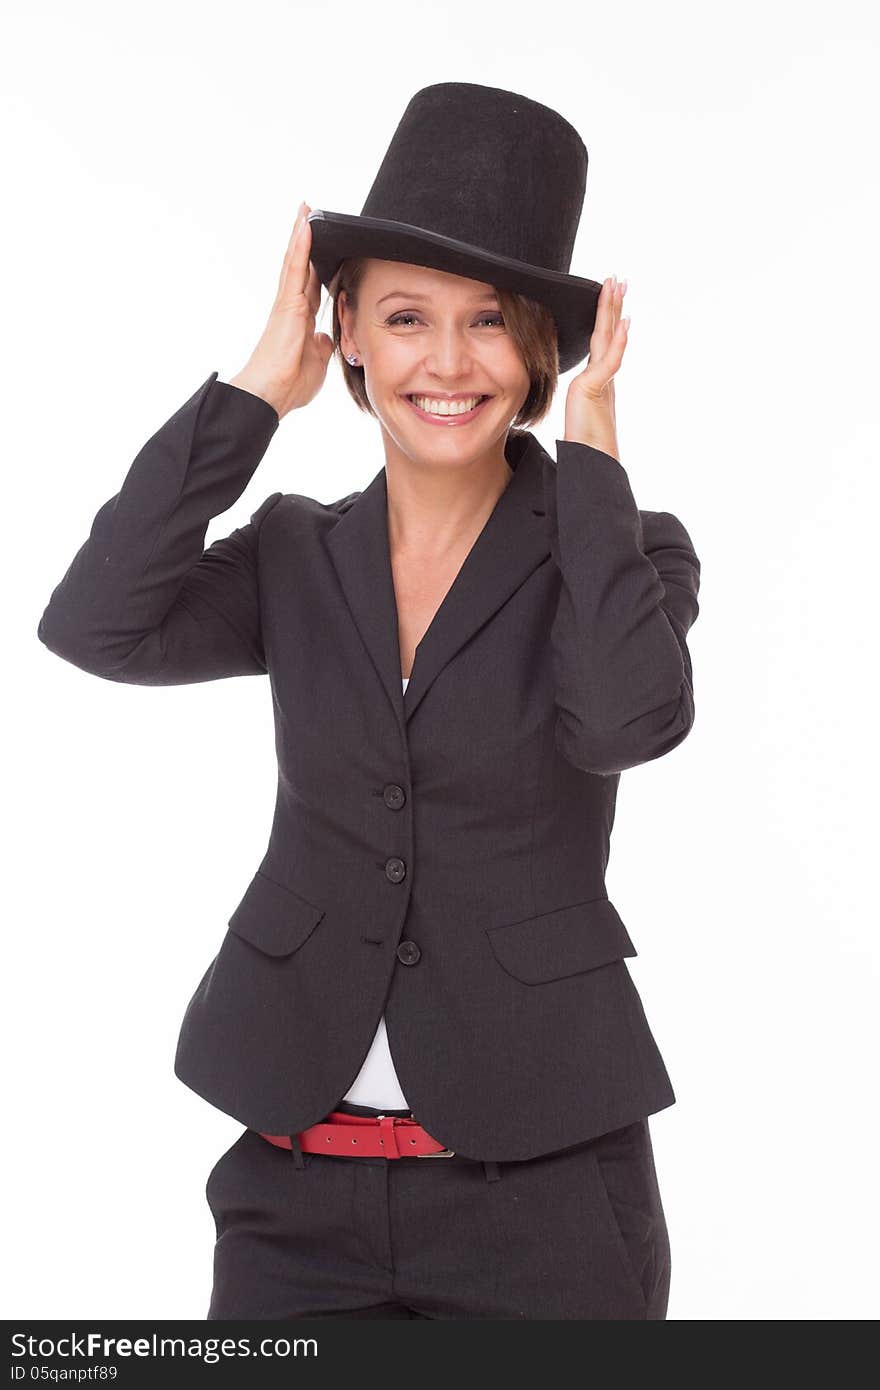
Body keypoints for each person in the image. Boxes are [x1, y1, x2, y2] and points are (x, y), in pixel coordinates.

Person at [37, 83, 701, 1320]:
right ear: (344, 327)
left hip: (544, 1198)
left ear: (545, 353)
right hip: (295, 1197)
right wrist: (253, 395)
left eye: (491, 324)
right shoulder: (295, 552)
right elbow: (96, 625)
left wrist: (598, 457)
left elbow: (622, 723)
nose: (446, 364)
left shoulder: (626, 553)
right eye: (404, 317)